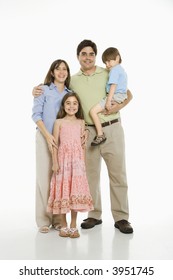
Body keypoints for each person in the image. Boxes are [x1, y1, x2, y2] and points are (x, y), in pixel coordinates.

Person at [32, 39, 134, 234]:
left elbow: (128, 93)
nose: (87, 57)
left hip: (111, 127)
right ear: (78, 57)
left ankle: (121, 218)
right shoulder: (74, 80)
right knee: (90, 176)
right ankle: (94, 215)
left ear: (96, 56)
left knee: (118, 174)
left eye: (91, 54)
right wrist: (35, 90)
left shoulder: (108, 72)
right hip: (86, 131)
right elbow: (56, 88)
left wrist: (118, 106)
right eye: (83, 54)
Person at [32, 59, 72, 233]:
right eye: (58, 69)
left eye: (65, 69)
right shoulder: (43, 90)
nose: (61, 72)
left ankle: (57, 219)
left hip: (63, 141)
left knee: (59, 179)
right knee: (44, 178)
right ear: (52, 72)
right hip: (44, 137)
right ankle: (43, 220)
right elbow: (36, 115)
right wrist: (48, 136)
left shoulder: (70, 93)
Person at [47, 92, 94, 238]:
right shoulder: (59, 122)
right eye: (68, 103)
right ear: (63, 105)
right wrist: (55, 162)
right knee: (63, 191)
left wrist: (83, 163)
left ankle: (73, 224)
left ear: (78, 106)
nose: (71, 106)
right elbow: (55, 144)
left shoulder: (81, 122)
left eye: (75, 103)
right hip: (63, 161)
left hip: (77, 162)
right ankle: (63, 224)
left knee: (74, 191)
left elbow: (83, 145)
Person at [90, 47, 128, 146]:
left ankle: (100, 134)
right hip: (121, 96)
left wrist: (108, 100)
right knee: (101, 111)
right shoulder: (120, 69)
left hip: (115, 95)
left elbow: (113, 85)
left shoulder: (114, 70)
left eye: (109, 61)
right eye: (105, 63)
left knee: (93, 111)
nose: (107, 65)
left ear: (117, 58)